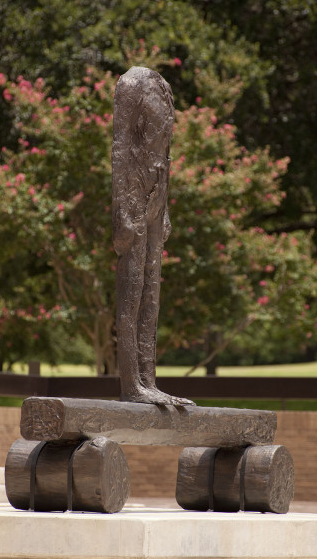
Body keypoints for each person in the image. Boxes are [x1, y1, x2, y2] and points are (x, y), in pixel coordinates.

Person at [112, 66, 194, 406]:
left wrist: (165, 208)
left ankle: (149, 381)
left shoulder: (163, 87)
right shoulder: (131, 83)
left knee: (152, 293)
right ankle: (132, 386)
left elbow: (164, 155)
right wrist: (121, 213)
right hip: (132, 197)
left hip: (156, 199)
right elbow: (119, 149)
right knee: (131, 294)